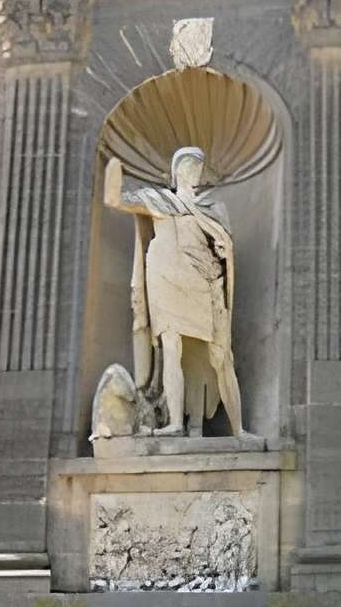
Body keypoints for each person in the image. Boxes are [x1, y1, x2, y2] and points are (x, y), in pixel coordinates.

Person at [104, 145, 244, 437]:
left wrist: (222, 249)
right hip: (165, 277)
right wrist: (113, 168)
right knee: (171, 348)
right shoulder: (158, 199)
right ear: (177, 170)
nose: (195, 172)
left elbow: (224, 247)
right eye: (190, 166)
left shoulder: (212, 208)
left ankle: (239, 429)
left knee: (222, 355)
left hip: (202, 281)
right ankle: (175, 423)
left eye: (199, 167)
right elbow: (115, 199)